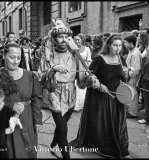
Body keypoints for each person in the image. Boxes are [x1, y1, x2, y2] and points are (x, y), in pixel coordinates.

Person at [38, 25, 99, 158]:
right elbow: (40, 78)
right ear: (54, 39)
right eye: (60, 37)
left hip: (71, 94)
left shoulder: (74, 54)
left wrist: (91, 79)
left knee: (61, 127)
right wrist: (53, 69)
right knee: (63, 129)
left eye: (67, 37)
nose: (64, 40)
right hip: (54, 93)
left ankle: (53, 145)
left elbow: (82, 78)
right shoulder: (48, 55)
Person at [69, 34, 131, 159]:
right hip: (100, 97)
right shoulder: (99, 59)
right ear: (108, 45)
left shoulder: (122, 59)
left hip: (116, 97)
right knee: (103, 124)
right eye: (115, 45)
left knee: (118, 124)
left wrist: (126, 74)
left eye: (120, 46)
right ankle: (105, 147)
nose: (118, 48)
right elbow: (88, 76)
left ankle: (121, 147)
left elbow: (125, 79)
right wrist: (98, 85)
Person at [0, 42, 43, 158]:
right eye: (12, 57)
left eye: (18, 58)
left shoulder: (30, 76)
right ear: (4, 55)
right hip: (3, 119)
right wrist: (10, 105)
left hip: (26, 118)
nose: (15, 61)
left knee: (27, 151)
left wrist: (37, 120)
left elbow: (36, 98)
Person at [124, 35, 142, 118]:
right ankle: (129, 110)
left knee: (132, 93)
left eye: (125, 42)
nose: (124, 44)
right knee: (129, 92)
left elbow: (135, 69)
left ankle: (132, 113)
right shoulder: (132, 51)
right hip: (129, 75)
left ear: (131, 43)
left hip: (132, 77)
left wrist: (129, 75)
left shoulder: (135, 53)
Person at [74, 33, 92, 112]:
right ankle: (75, 105)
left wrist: (87, 70)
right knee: (75, 87)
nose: (76, 41)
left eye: (78, 40)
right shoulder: (73, 49)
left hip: (83, 70)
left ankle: (82, 105)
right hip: (75, 69)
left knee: (82, 88)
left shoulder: (87, 49)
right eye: (75, 40)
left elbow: (89, 60)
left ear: (82, 40)